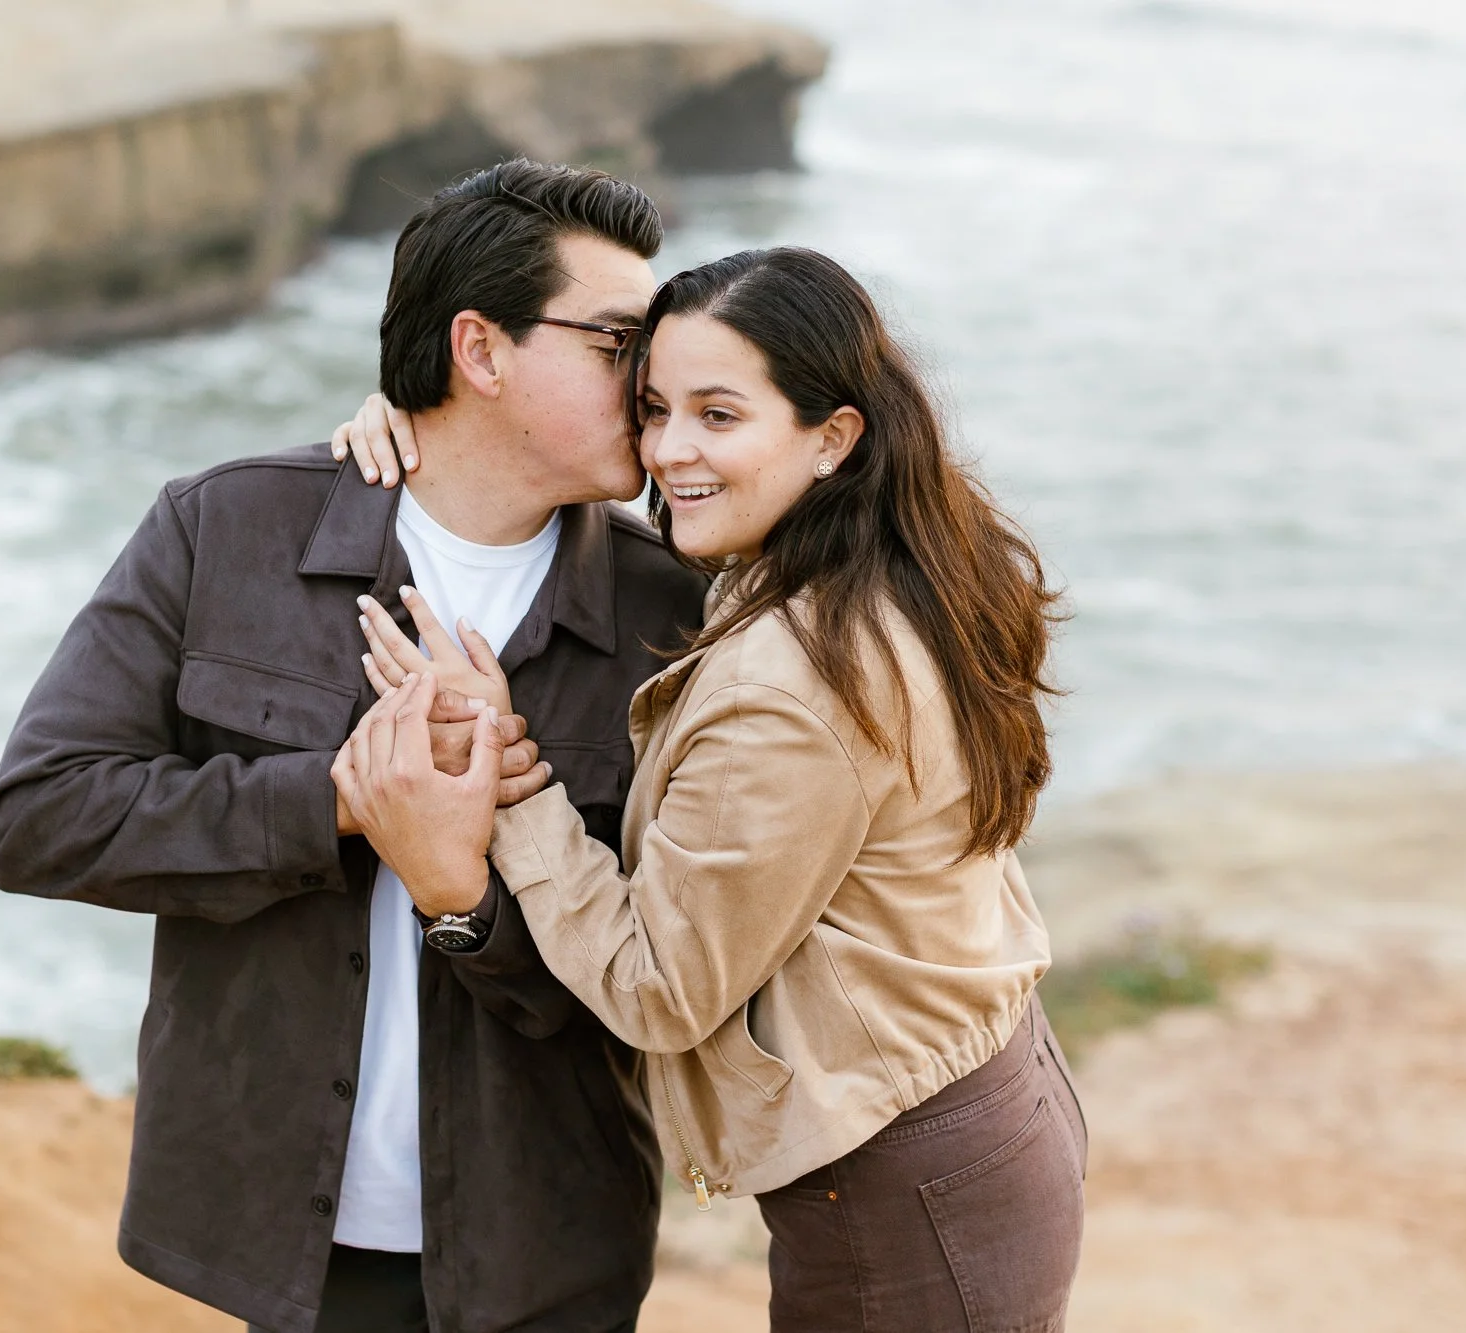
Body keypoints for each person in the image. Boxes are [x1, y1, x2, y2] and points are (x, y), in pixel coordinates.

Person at [0, 160, 706, 1332]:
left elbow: (670, 973)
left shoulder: (679, 611)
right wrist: (345, 800)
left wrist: (460, 888)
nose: (655, 380)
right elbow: (39, 817)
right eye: (619, 343)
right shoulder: (223, 527)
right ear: (479, 350)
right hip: (284, 1235)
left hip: (549, 1241)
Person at [336, 247, 1087, 1331]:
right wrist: (435, 431)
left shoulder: (792, 689)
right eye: (651, 408)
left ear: (831, 436)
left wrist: (511, 774)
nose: (669, 450)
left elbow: (658, 990)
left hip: (900, 1186)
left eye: (718, 416)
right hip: (981, 1102)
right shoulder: (886, 562)